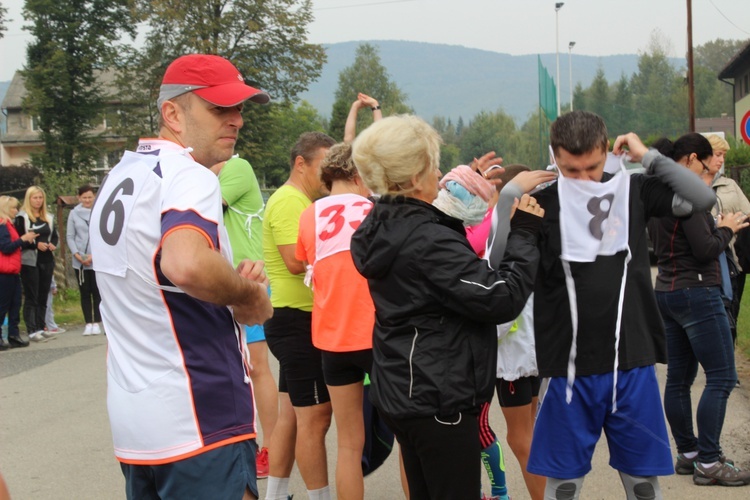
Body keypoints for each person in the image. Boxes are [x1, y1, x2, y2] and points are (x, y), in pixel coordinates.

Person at [88, 53, 273, 500]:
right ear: (172, 113)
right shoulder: (188, 175)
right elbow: (185, 263)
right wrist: (249, 296)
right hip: (200, 414)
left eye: (239, 108)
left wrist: (225, 275)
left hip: (137, 425)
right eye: (218, 109)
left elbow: (156, 276)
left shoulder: (121, 174)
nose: (236, 121)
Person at [349, 114, 544, 499]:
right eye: (434, 167)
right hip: (438, 397)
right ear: (416, 177)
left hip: (403, 389)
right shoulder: (426, 241)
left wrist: (460, 196)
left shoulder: (382, 222)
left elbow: (429, 251)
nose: (440, 175)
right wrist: (524, 233)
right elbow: (499, 296)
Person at [526, 111, 717, 500]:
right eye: (570, 170)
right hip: (568, 368)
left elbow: (703, 197)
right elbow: (498, 261)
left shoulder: (632, 189)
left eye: (592, 167)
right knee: (563, 487)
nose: (583, 179)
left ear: (606, 150)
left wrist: (647, 155)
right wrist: (511, 196)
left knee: (644, 485)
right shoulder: (541, 203)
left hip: (631, 361)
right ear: (555, 158)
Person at [648, 132, 750, 487]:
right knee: (721, 377)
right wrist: (726, 229)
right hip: (697, 293)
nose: (710, 172)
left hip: (667, 291)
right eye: (707, 164)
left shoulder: (656, 191)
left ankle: (688, 453)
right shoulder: (687, 194)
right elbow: (706, 248)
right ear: (691, 159)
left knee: (679, 377)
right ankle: (708, 460)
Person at [295, 142, 375, 500]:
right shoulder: (374, 210)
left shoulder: (309, 214)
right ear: (359, 175)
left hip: (331, 338)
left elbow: (303, 262)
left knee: (348, 443)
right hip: (377, 335)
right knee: (408, 438)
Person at [262, 131, 336, 500]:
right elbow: (294, 261)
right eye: (324, 166)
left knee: (291, 416)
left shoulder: (299, 200)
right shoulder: (291, 202)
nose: (328, 176)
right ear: (300, 163)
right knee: (316, 418)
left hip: (294, 317)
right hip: (296, 319)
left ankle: (275, 495)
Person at [483, 165, 548, 500]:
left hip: (513, 356)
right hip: (532, 351)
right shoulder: (534, 232)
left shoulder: (509, 236)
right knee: (531, 433)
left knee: (520, 438)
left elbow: (501, 298)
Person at [217, 156, 278, 479]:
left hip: (252, 281)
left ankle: (270, 446)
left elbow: (206, 204)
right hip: (222, 282)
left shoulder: (237, 168)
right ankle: (238, 443)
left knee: (257, 368)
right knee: (230, 367)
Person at [703, 134, 750, 334]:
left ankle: (727, 359)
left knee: (730, 320)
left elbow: (747, 214)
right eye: (717, 154)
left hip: (732, 263)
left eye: (723, 155)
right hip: (705, 264)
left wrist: (733, 223)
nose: (721, 160)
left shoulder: (730, 185)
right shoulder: (690, 186)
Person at [15, 185, 59, 343]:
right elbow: (20, 239)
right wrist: (35, 245)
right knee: (31, 296)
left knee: (43, 295)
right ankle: (32, 329)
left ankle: (42, 326)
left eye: (40, 198)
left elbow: (54, 235)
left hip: (46, 259)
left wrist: (53, 244)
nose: (38, 201)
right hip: (30, 261)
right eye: (35, 198)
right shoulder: (22, 218)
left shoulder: (48, 216)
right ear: (29, 199)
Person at [0, 195, 37, 350]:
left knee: (16, 303)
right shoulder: (2, 225)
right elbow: (6, 247)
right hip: (4, 271)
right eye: (13, 208)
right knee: (3, 305)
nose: (16, 210)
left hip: (13, 270)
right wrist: (23, 239)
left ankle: (13, 334)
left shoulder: (9, 224)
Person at [66, 184, 101, 336]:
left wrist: (95, 255)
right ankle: (88, 322)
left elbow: (102, 234)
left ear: (94, 197)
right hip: (80, 260)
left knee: (97, 291)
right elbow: (70, 236)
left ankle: (98, 322)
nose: (87, 200)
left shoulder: (99, 210)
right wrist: (77, 254)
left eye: (90, 197)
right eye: (84, 197)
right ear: (79, 198)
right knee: (85, 292)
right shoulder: (74, 214)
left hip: (97, 259)